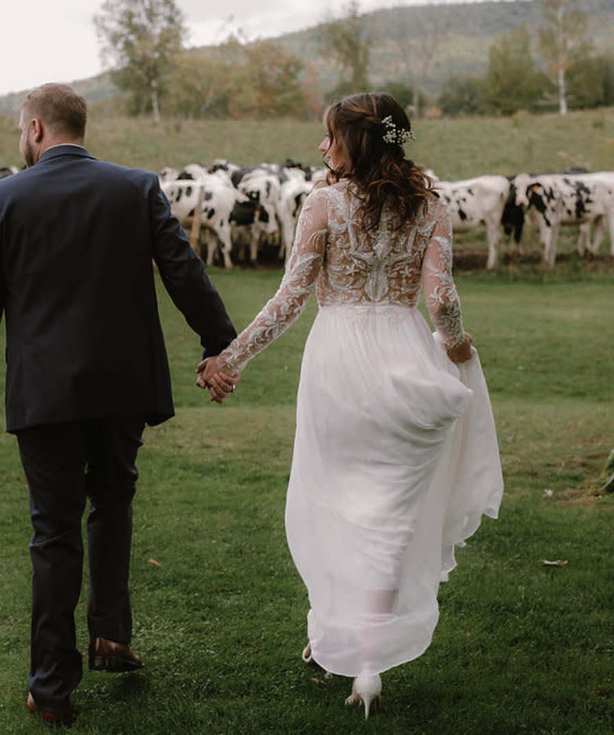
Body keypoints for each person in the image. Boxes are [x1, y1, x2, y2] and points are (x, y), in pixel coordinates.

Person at [199, 92, 504, 719]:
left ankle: (336, 639)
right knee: (390, 517)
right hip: (407, 360)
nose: (321, 148)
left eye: (329, 138)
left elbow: (290, 298)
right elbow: (441, 296)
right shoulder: (431, 205)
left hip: (338, 362)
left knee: (336, 500)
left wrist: (230, 360)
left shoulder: (324, 204)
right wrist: (454, 344)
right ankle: (367, 662)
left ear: (356, 143)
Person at [0, 83, 238, 727]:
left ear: (33, 129)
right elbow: (183, 269)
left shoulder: (1, 198)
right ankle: (111, 632)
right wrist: (222, 344)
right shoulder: (135, 187)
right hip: (122, 389)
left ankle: (51, 687)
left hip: (44, 393)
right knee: (112, 501)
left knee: (54, 532)